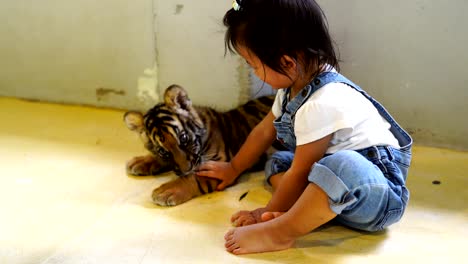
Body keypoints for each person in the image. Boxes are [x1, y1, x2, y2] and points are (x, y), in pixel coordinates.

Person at [196, 0, 413, 255]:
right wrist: (233, 168)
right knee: (278, 162)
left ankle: (281, 231)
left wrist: (266, 214)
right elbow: (264, 132)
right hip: (335, 184)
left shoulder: (321, 102)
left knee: (340, 166)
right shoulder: (292, 87)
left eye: (252, 64)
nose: (253, 71)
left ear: (287, 62)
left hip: (377, 197)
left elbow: (301, 172)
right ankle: (312, 209)